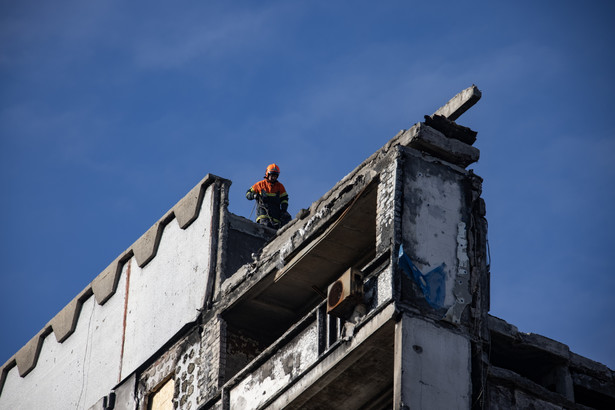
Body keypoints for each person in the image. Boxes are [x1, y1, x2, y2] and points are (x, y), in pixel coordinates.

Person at [246, 163, 290, 229]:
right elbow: (248, 194)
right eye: (272, 175)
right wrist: (254, 196)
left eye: (275, 176)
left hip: (276, 217)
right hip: (263, 215)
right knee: (265, 230)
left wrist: (284, 209)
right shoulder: (260, 184)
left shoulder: (280, 186)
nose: (273, 178)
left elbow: (284, 199)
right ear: (267, 174)